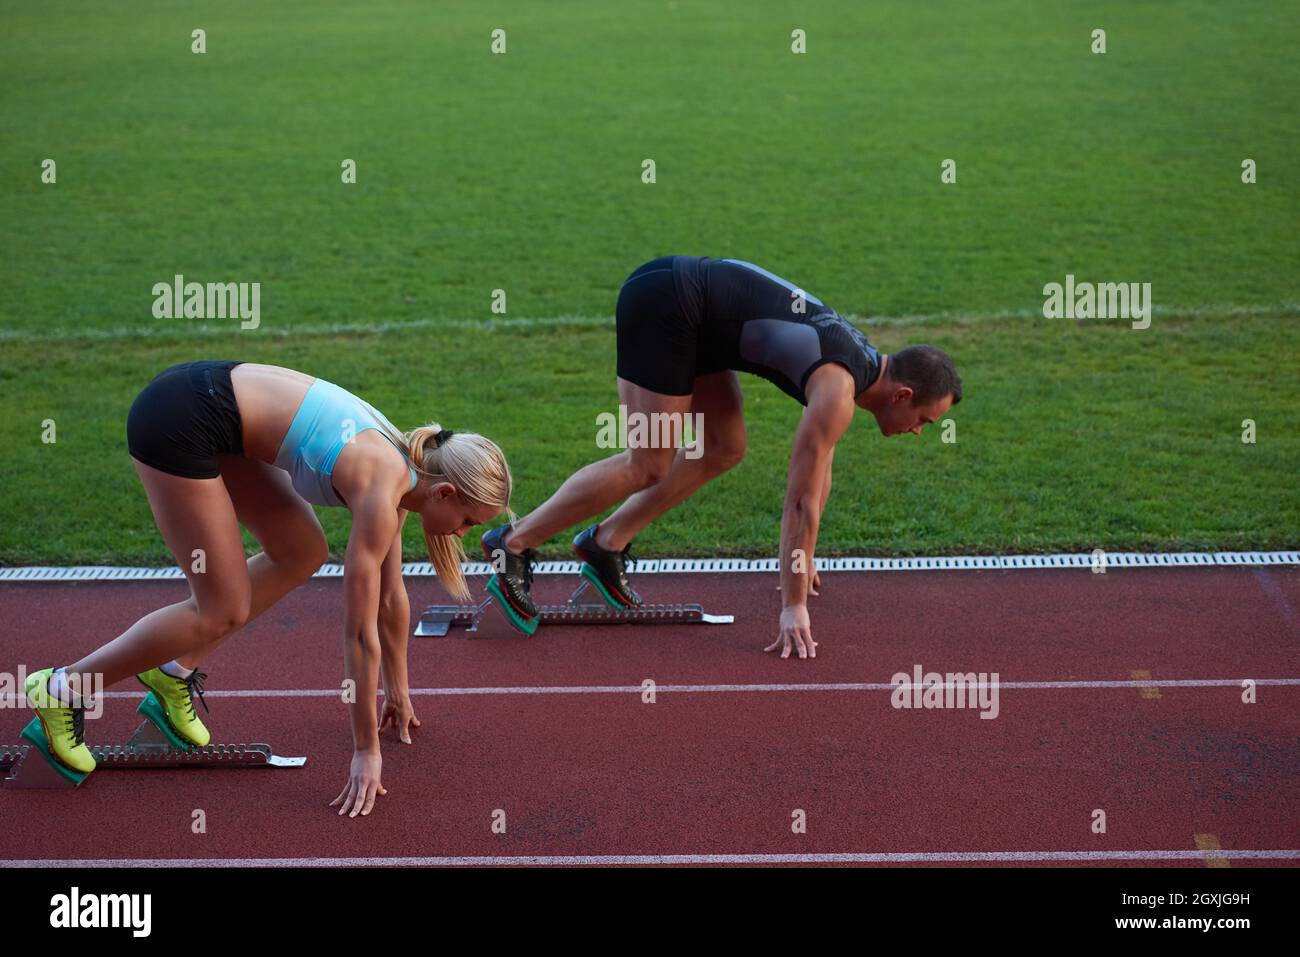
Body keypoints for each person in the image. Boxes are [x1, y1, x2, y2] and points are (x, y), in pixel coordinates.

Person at [22, 361, 512, 818]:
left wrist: (398, 693)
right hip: (179, 419)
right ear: (445, 492)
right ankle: (64, 688)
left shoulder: (409, 470)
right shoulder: (383, 484)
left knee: (300, 552)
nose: (462, 532)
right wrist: (366, 750)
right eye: (468, 521)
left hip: (217, 414)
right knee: (222, 609)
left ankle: (172, 672)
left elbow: (390, 598)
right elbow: (359, 633)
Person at [481, 256, 961, 658]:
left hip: (699, 319)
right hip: (669, 302)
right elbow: (799, 503)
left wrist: (804, 557)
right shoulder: (838, 389)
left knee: (724, 448)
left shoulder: (858, 368)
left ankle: (606, 543)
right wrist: (793, 604)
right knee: (647, 462)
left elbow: (819, 474)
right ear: (902, 394)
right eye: (925, 419)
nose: (920, 432)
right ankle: (514, 543)